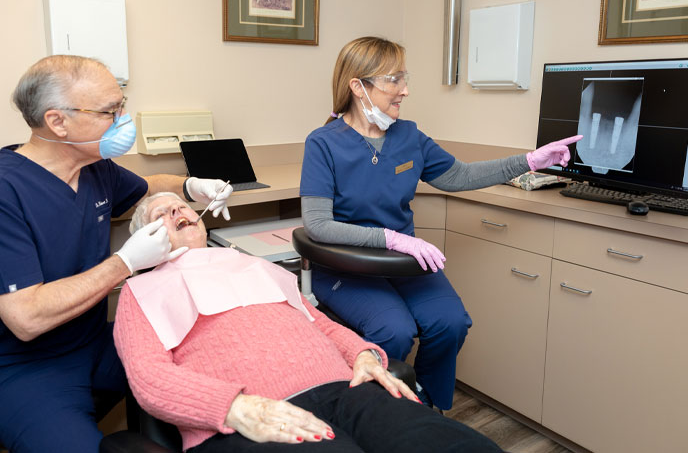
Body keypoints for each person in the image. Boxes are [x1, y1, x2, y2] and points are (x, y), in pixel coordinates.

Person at [0, 55, 234, 453]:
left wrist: (191, 186)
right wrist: (125, 263)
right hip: (14, 369)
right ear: (57, 122)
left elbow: (146, 185)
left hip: (95, 344)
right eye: (109, 112)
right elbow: (27, 317)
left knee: (208, 370)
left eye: (122, 105)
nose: (122, 120)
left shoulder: (94, 168)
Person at [299, 36, 581, 410]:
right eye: (393, 80)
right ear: (358, 86)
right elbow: (317, 225)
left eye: (404, 78)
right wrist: (392, 239)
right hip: (347, 266)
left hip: (400, 263)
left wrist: (529, 161)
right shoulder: (323, 143)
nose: (405, 90)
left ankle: (424, 406)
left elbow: (459, 176)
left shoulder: (408, 136)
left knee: (450, 322)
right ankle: (377, 416)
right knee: (393, 331)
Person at [114, 192, 503, 453]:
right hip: (255, 413)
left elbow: (321, 323)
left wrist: (364, 355)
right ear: (143, 240)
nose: (178, 212)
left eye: (181, 206)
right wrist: (235, 407)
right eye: (160, 215)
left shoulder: (252, 264)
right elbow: (148, 378)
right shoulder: (142, 291)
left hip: (347, 389)